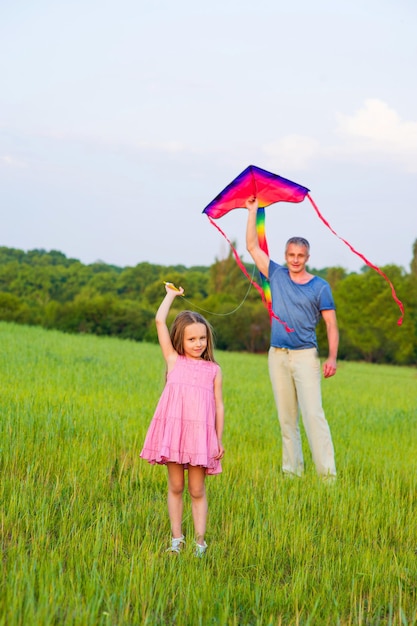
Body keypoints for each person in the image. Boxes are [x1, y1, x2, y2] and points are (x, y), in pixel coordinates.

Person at [245, 196, 338, 480]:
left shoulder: (320, 287)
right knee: (287, 420)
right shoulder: (276, 274)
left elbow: (331, 325)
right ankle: (291, 474)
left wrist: (332, 357)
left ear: (307, 257)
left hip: (305, 356)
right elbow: (251, 246)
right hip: (277, 356)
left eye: (300, 256)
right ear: (285, 255)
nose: (295, 260)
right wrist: (252, 212)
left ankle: (328, 478)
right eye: (291, 255)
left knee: (313, 417)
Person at [140, 283, 225, 556]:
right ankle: (177, 540)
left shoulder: (213, 370)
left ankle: (200, 543)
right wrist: (171, 295)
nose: (198, 344)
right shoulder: (173, 360)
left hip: (200, 438)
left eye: (202, 338)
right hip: (175, 434)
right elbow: (158, 320)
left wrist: (218, 439)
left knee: (197, 490)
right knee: (176, 486)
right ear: (181, 340)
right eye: (191, 339)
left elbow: (219, 406)